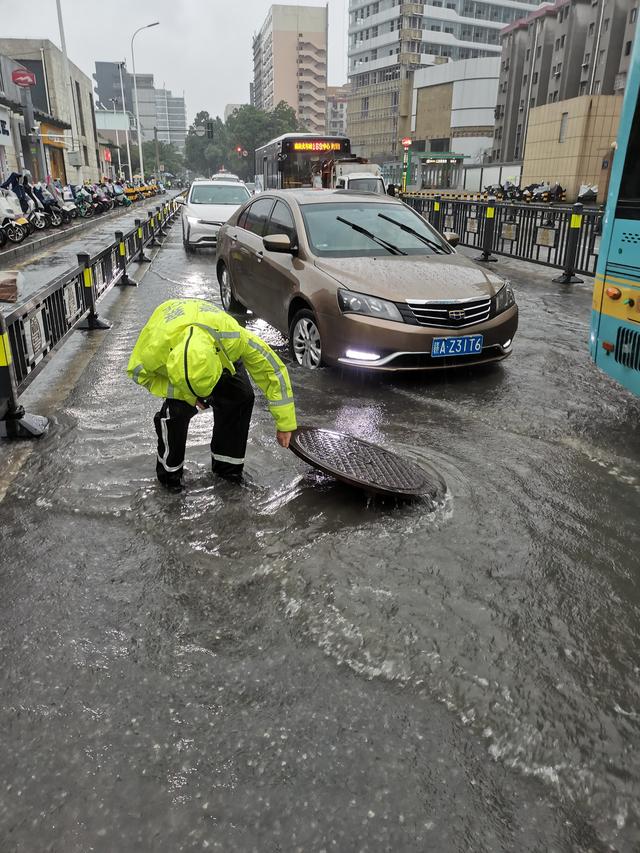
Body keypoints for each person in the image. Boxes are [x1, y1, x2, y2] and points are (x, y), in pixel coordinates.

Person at [127, 298, 297, 490]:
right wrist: (188, 396)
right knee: (176, 413)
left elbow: (272, 370)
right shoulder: (153, 350)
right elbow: (138, 374)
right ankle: (170, 477)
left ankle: (228, 472)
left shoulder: (232, 337)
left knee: (241, 397)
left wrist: (285, 423)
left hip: (219, 348)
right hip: (173, 349)